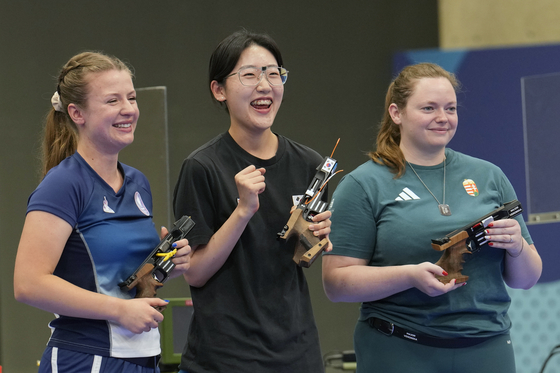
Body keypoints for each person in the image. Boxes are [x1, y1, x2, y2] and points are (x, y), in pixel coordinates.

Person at [322, 63, 542, 373]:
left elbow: (527, 279)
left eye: (450, 108)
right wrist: (409, 276)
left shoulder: (489, 176)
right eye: (429, 108)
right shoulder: (364, 185)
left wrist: (518, 246)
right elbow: (336, 284)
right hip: (399, 351)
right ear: (397, 113)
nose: (443, 117)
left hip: (487, 349)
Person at [14, 51, 191, 373]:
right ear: (76, 113)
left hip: (144, 358)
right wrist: (118, 311)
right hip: (84, 358)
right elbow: (28, 283)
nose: (128, 110)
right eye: (112, 101)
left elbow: (116, 277)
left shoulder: (138, 182)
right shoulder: (64, 183)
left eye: (132, 97)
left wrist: (168, 264)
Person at [173, 30, 332, 373]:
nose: (265, 85)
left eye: (274, 73)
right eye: (249, 75)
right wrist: (243, 211)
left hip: (296, 354)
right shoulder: (202, 167)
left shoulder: (310, 165)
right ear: (219, 90)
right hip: (223, 359)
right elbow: (196, 273)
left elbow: (299, 260)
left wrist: (316, 237)